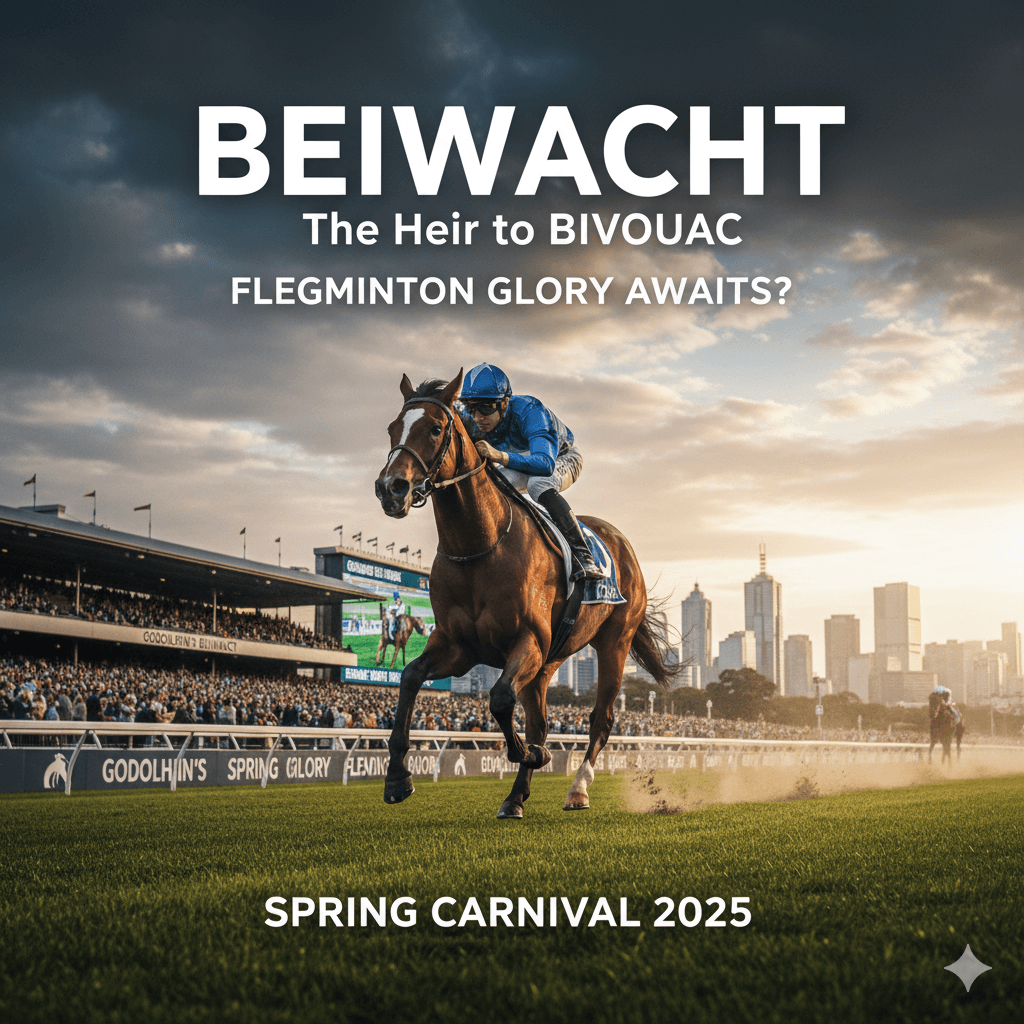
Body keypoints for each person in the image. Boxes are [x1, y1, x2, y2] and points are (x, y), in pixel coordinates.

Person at [458, 362, 601, 580]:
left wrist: (499, 456)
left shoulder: (531, 412)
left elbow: (544, 464)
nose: (478, 417)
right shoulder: (470, 418)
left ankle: (583, 555)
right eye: (471, 408)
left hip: (560, 457)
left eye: (486, 408)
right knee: (491, 486)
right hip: (522, 457)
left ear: (504, 403)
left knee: (538, 484)